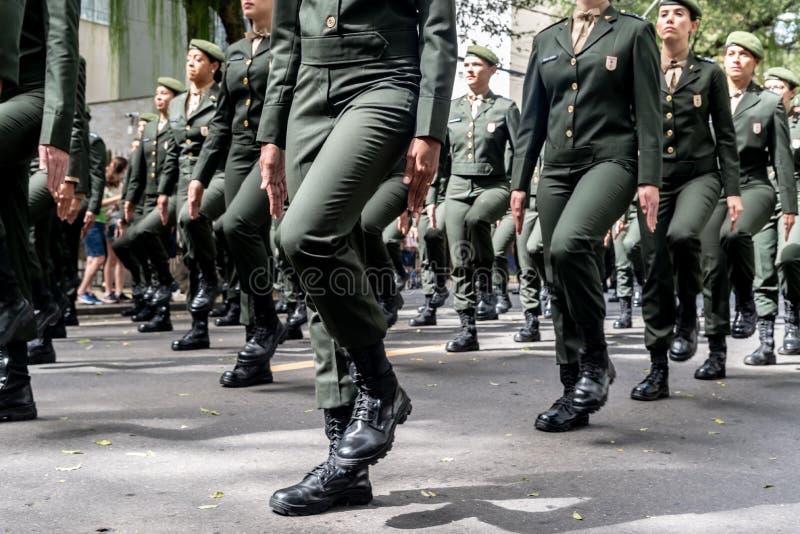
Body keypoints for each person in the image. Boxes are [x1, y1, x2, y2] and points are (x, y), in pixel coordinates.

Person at [260, 0, 457, 515]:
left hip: (384, 77)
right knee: (314, 264)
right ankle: (344, 469)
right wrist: (271, 133)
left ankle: (379, 385)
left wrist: (431, 127)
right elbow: (285, 39)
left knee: (307, 235)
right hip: (307, 91)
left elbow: (437, 27)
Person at [511, 0, 662, 432]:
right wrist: (519, 183)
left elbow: (650, 110)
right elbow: (532, 122)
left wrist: (649, 176)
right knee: (554, 267)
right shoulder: (547, 39)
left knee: (570, 243)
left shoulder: (633, 32)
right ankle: (572, 389)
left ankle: (596, 361)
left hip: (612, 161)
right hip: (557, 168)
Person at [629, 1, 742, 400]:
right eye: (663, 14)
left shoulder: (709, 73)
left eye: (678, 13)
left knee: (681, 236)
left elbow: (726, 135)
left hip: (700, 175)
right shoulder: (640, 69)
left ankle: (688, 310)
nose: (669, 20)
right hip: (655, 179)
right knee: (654, 266)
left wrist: (732, 191)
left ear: (693, 25)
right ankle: (657, 370)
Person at [192, 0, 289, 386]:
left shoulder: (288, 41)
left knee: (238, 227)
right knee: (246, 245)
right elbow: (221, 121)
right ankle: (256, 355)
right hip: (237, 155)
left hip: (275, 151)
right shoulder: (233, 51)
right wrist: (200, 176)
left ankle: (267, 323)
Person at [695, 32, 796, 380]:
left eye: (744, 55)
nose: (736, 59)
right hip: (712, 190)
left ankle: (746, 299)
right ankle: (716, 353)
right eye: (731, 53)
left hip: (754, 186)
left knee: (734, 235)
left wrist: (789, 207)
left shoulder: (768, 103)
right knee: (710, 267)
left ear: (755, 63)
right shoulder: (705, 98)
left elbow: (782, 160)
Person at [0, 0, 80, 421]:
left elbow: (63, 44)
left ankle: (13, 302)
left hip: (33, 97)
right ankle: (14, 385)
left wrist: (57, 131)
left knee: (8, 275)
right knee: (12, 234)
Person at [441, 45, 519, 351]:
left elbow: (518, 149)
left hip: (495, 184)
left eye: (477, 65)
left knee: (477, 219)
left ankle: (485, 278)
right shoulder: (451, 109)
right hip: (457, 186)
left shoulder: (505, 108)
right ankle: (467, 329)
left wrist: (517, 188)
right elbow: (442, 158)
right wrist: (434, 199)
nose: (470, 70)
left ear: (492, 71)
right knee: (459, 258)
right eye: (467, 65)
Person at [154, 40, 227, 339]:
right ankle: (198, 328)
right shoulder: (176, 103)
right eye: (188, 59)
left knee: (192, 222)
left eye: (198, 59)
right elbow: (173, 152)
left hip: (214, 177)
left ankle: (213, 278)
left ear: (214, 66)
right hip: (184, 183)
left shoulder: (222, 97)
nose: (191, 64)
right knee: (188, 253)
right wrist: (163, 191)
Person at [744, 67, 800, 365]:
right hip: (762, 195)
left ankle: (793, 317)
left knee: (789, 257)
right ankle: (766, 342)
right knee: (763, 267)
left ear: (791, 92)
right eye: (768, 86)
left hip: (796, 199)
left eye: (779, 87)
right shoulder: (756, 117)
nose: (773, 91)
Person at [102, 156, 128, 303]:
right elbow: (101, 203)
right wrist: (118, 199)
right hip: (110, 221)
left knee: (120, 260)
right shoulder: (107, 184)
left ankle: (119, 290)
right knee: (111, 259)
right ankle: (108, 291)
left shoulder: (121, 183)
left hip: (120, 221)